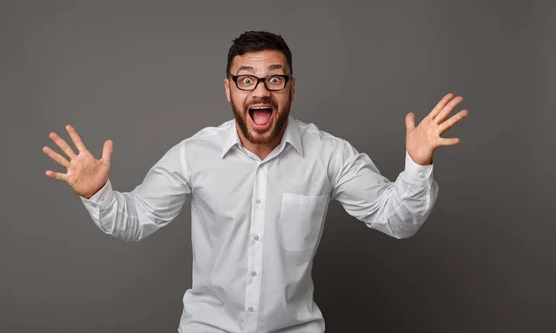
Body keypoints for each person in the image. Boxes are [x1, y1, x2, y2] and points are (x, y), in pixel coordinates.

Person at [42, 31, 467, 333]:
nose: (260, 92)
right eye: (246, 80)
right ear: (229, 90)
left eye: (274, 79)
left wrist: (416, 164)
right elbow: (135, 221)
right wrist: (97, 193)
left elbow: (398, 220)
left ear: (291, 89)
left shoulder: (329, 154)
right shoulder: (195, 154)